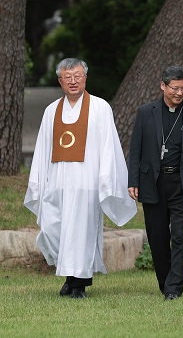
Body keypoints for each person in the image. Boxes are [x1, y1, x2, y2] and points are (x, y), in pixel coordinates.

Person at [24, 58, 137, 299]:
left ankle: (78, 285)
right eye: (68, 77)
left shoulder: (100, 107)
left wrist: (105, 180)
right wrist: (38, 182)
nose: (73, 81)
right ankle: (69, 277)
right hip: (58, 183)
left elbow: (108, 146)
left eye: (77, 76)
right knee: (55, 229)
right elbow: (43, 149)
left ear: (85, 78)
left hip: (87, 182)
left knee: (81, 233)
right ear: (60, 81)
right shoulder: (51, 110)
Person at [127, 65, 183, 300]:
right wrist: (132, 180)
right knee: (157, 238)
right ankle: (165, 282)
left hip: (182, 181)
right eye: (174, 88)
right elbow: (135, 150)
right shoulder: (146, 112)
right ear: (163, 86)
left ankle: (174, 288)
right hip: (152, 182)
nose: (179, 93)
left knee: (180, 236)